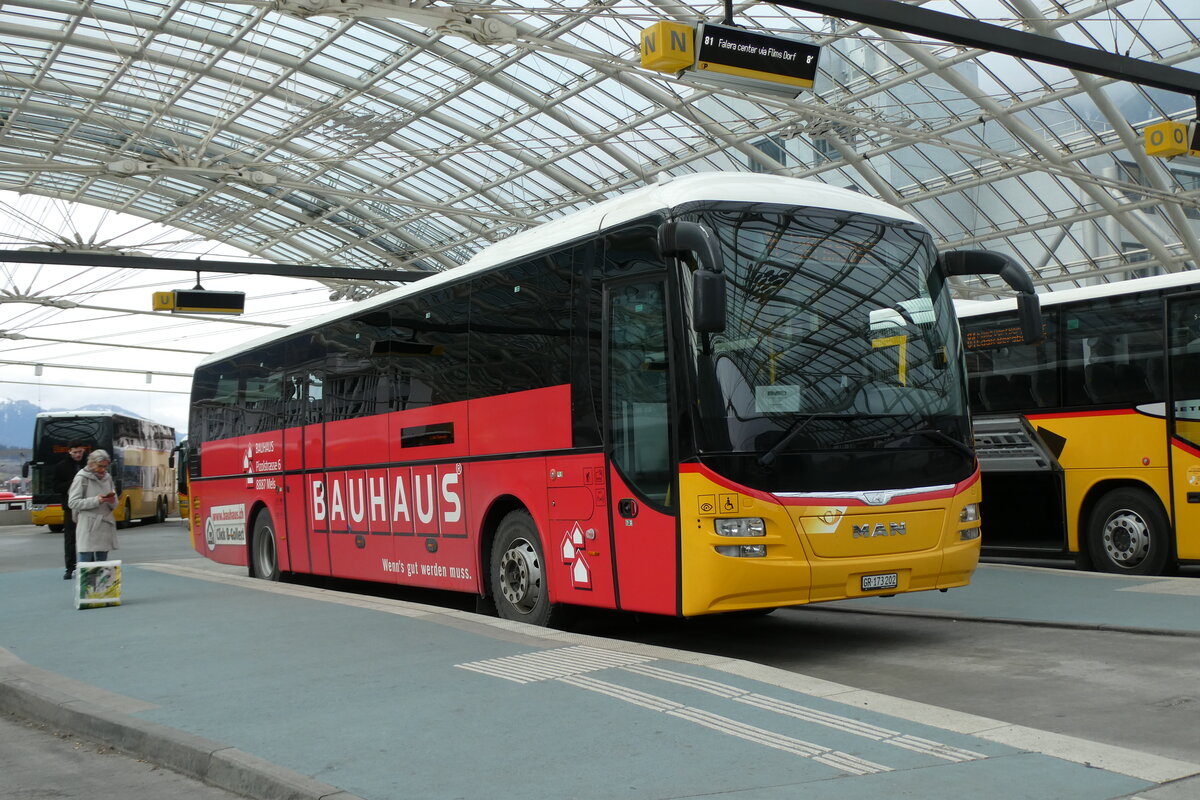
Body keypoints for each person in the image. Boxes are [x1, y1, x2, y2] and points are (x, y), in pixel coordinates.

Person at [68, 449, 118, 564]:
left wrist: (111, 500)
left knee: (102, 564)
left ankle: (100, 576)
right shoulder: (81, 478)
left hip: (105, 524)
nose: (103, 470)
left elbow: (115, 503)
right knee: (85, 562)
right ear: (91, 464)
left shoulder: (108, 478)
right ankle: (83, 576)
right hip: (88, 524)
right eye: (100, 466)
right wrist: (96, 500)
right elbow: (73, 502)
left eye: (105, 466)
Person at [54, 444, 88, 579]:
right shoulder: (61, 466)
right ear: (69, 452)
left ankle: (89, 565)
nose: (78, 455)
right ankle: (70, 567)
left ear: (83, 450)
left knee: (88, 537)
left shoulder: (89, 464)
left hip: (88, 506)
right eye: (75, 452)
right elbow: (56, 487)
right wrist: (74, 483)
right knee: (70, 539)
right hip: (70, 507)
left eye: (80, 452)